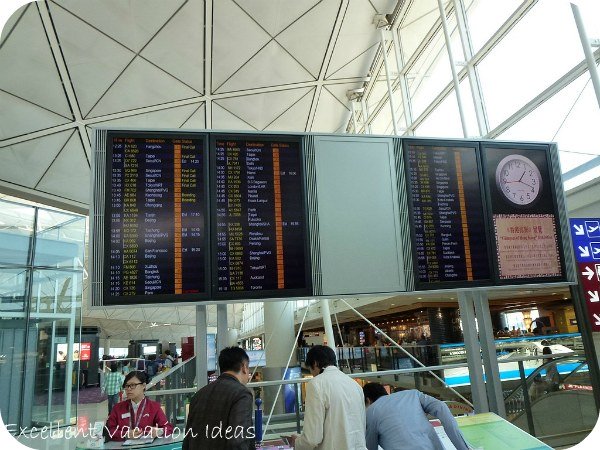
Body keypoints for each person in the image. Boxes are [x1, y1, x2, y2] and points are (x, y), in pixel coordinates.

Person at [289, 345, 366, 450]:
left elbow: (312, 438)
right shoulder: (355, 385)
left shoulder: (316, 384)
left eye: (310, 369)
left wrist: (297, 442)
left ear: (315, 363)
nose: (312, 374)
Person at [183, 347, 255, 450]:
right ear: (243, 367)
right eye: (248, 368)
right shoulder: (241, 394)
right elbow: (238, 441)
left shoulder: (199, 394)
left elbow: (188, 439)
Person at [363, 383, 469, 450]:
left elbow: (369, 446)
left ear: (368, 400)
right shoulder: (413, 394)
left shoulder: (371, 411)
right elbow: (441, 407)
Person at [104, 371, 173, 441]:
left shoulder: (154, 407)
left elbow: (168, 428)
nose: (129, 389)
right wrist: (126, 434)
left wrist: (159, 431)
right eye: (126, 386)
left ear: (143, 386)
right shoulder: (117, 408)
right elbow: (109, 430)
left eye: (133, 385)